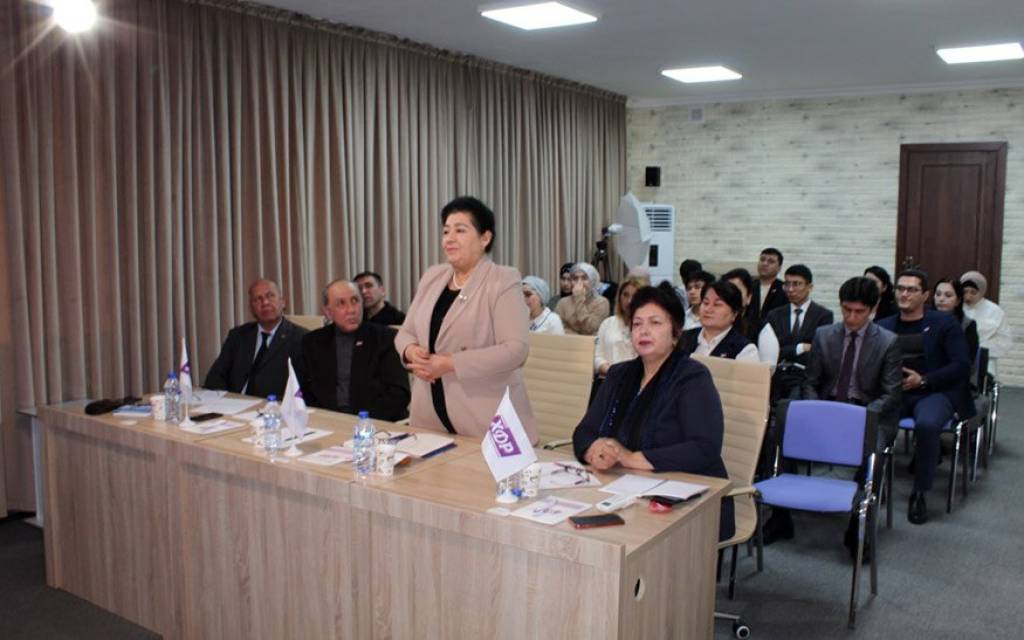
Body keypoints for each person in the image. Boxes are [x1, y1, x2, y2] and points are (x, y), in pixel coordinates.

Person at [572, 283, 734, 540]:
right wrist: (596, 450)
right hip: (623, 491)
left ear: (675, 333)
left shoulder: (692, 377)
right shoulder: (619, 374)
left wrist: (631, 458)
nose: (644, 330)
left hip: (688, 501)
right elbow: (584, 431)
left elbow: (704, 447)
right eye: (637, 324)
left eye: (655, 322)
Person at [764, 277, 902, 558]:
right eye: (846, 310)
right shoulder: (825, 335)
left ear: (873, 309)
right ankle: (780, 517)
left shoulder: (888, 342)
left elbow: (891, 393)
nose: (851, 317)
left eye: (859, 312)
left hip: (867, 413)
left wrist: (858, 418)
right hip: (826, 409)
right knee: (779, 434)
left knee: (874, 451)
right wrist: (817, 411)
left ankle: (858, 527)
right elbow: (810, 382)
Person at [395, 196, 537, 441]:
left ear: (485, 238)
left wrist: (450, 363)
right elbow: (405, 332)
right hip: (430, 413)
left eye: (460, 230)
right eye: (446, 231)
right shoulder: (433, 276)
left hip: (485, 417)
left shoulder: (502, 280)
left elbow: (516, 350)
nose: (449, 238)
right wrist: (410, 351)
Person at [878, 269, 973, 525]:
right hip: (897, 392)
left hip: (934, 391)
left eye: (912, 290)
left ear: (925, 295)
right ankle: (873, 483)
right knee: (871, 417)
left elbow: (961, 365)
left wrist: (924, 379)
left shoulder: (945, 324)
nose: (904, 294)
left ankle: (919, 492)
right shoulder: (884, 325)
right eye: (900, 288)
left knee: (928, 425)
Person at [299, 279, 410, 421]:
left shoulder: (386, 338)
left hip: (376, 422)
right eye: (341, 303)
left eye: (355, 301)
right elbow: (304, 389)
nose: (351, 310)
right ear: (328, 312)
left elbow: (399, 394)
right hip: (328, 421)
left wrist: (361, 421)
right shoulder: (312, 341)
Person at [204, 279, 307, 399]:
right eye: (257, 299)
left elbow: (302, 389)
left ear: (283, 302)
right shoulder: (238, 336)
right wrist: (228, 400)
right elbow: (215, 377)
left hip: (272, 406)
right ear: (251, 309)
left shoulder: (302, 339)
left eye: (270, 296)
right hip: (234, 404)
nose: (265, 302)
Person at [765, 264, 833, 400]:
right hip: (777, 376)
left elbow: (818, 352)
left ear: (809, 287)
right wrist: (801, 347)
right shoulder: (774, 315)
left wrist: (787, 350)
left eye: (796, 284)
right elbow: (772, 351)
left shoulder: (823, 315)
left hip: (806, 377)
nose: (790, 289)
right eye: (787, 284)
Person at [679, 280, 759, 362]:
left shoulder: (745, 350)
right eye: (706, 303)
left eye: (717, 305)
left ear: (734, 313)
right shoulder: (682, 338)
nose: (708, 309)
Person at [722, 267, 780, 367]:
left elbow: (768, 369)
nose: (731, 296)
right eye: (726, 292)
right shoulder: (710, 323)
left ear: (749, 297)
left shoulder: (761, 328)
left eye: (737, 291)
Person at [960, 270, 1012, 376]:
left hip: (985, 362)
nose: (968, 296)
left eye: (973, 292)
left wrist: (977, 348)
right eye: (965, 292)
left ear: (982, 292)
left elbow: (1005, 342)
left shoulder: (995, 311)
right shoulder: (955, 307)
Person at [595, 275, 648, 376]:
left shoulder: (647, 328)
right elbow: (597, 355)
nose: (629, 301)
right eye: (625, 295)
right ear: (619, 297)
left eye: (635, 296)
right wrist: (610, 371)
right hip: (608, 378)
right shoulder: (608, 323)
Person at [934, 278, 980, 368]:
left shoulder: (967, 324)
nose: (941, 299)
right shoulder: (925, 320)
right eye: (938, 294)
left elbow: (967, 361)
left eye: (948, 295)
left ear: (958, 301)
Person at [555, 262, 610, 335]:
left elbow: (589, 329)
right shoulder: (563, 302)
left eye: (584, 278)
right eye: (575, 278)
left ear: (592, 281)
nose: (579, 282)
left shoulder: (602, 302)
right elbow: (557, 328)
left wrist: (579, 298)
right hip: (566, 341)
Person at [751, 248, 788, 323]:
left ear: (779, 268)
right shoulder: (749, 285)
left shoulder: (784, 289)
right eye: (762, 260)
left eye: (771, 261)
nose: (765, 264)